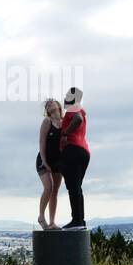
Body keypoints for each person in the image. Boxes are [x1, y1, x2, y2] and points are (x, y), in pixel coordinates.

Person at [59, 87, 89, 230]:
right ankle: (80, 220)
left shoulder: (73, 109)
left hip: (73, 149)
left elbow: (77, 119)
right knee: (76, 187)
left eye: (66, 96)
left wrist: (65, 133)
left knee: (73, 187)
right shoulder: (82, 110)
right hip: (83, 151)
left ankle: (76, 220)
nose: (64, 98)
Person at [36, 99, 64, 230]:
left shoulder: (64, 122)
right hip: (44, 159)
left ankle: (53, 221)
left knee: (55, 190)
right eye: (47, 104)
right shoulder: (47, 121)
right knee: (49, 187)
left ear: (58, 105)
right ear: (47, 110)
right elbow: (42, 142)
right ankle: (41, 217)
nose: (49, 104)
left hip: (58, 161)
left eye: (52, 102)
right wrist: (44, 160)